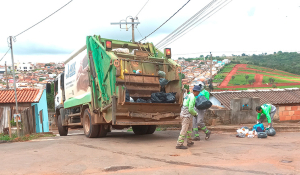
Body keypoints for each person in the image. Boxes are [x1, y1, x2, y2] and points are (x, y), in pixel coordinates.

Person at [176, 85, 201, 149]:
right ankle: (179, 144)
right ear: (197, 92)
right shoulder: (192, 97)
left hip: (186, 115)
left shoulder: (189, 95)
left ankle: (189, 141)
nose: (199, 93)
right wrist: (195, 113)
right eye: (198, 92)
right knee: (184, 129)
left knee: (189, 129)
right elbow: (190, 108)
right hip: (186, 115)